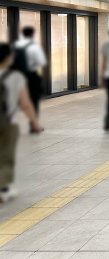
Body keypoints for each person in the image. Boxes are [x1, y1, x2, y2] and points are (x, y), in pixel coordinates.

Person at [0, 43, 42, 203]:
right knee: (6, 157)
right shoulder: (15, 77)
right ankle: (3, 190)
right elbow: (25, 103)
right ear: (8, 58)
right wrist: (34, 122)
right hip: (8, 123)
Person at [13, 26, 47, 134]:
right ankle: (33, 125)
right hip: (30, 76)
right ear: (32, 34)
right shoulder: (34, 47)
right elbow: (42, 62)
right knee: (33, 100)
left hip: (15, 76)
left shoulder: (15, 45)